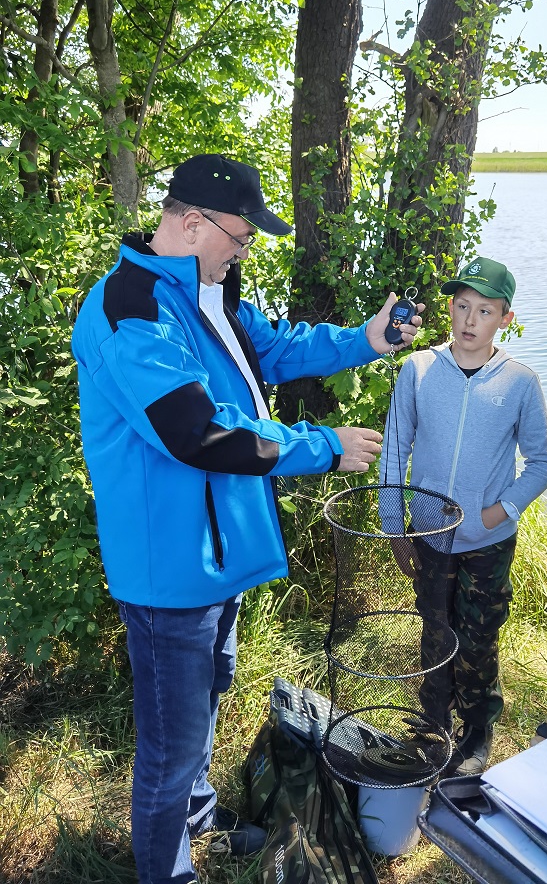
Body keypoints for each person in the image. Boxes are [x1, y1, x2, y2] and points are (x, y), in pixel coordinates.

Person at [71, 154, 423, 884]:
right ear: (191, 220)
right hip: (172, 567)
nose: (244, 249)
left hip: (220, 553)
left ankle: (199, 814)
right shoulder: (129, 309)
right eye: (240, 235)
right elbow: (196, 431)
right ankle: (168, 870)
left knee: (206, 696)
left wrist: (364, 338)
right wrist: (323, 447)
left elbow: (275, 347)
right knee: (168, 747)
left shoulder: (210, 290)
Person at [380, 257, 547, 775]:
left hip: (488, 540)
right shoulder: (418, 370)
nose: (469, 320)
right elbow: (394, 451)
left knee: (478, 638)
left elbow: (543, 462)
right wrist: (396, 527)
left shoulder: (520, 382)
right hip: (430, 535)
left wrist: (499, 510)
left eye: (485, 310)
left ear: (505, 317)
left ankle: (477, 732)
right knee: (436, 631)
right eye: (461, 306)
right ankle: (432, 724)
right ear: (450, 310)